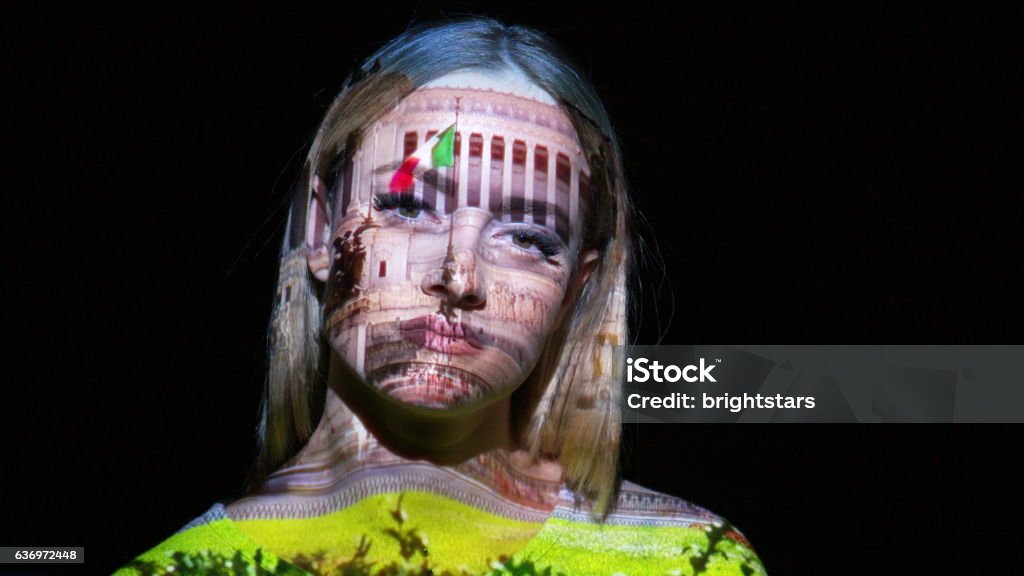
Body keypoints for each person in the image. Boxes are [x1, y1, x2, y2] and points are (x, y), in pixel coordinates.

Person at [118, 17, 766, 576]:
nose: (459, 277)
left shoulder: (686, 560)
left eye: (529, 239)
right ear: (318, 228)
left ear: (577, 286)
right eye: (405, 204)